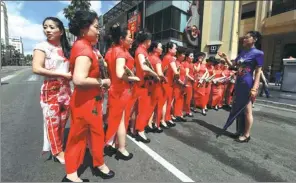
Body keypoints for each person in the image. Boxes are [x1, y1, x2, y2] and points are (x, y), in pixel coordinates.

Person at [63, 10, 114, 182]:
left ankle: (99, 163)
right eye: (96, 27)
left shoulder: (86, 47)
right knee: (79, 137)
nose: (99, 31)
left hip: (90, 101)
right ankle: (71, 174)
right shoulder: (84, 48)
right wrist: (102, 82)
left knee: (96, 133)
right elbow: (78, 79)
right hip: (85, 103)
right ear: (84, 28)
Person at [32, 17, 71, 164]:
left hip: (66, 90)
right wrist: (61, 74)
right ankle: (58, 151)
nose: (47, 30)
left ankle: (58, 145)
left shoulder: (66, 49)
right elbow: (36, 68)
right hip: (51, 90)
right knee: (52, 122)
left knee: (62, 121)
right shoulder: (42, 46)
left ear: (61, 31)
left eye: (52, 27)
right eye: (45, 27)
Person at [218, 30, 264, 143]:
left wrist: (254, 88)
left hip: (248, 84)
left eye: (247, 37)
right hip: (238, 84)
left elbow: (258, 72)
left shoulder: (258, 53)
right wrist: (225, 58)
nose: (244, 39)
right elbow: (233, 66)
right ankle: (239, 131)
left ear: (254, 39)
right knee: (237, 108)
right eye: (244, 37)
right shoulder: (242, 52)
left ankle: (246, 134)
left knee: (247, 110)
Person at [104, 23, 140, 160]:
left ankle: (113, 143)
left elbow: (109, 70)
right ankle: (121, 148)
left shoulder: (111, 51)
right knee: (120, 120)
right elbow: (119, 73)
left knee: (116, 119)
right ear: (121, 39)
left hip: (116, 89)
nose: (132, 39)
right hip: (121, 90)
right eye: (130, 37)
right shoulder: (120, 52)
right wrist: (133, 77)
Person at [131, 30, 159, 143]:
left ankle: (135, 129)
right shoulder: (141, 51)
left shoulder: (142, 51)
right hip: (142, 86)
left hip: (142, 84)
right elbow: (143, 67)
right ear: (147, 41)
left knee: (138, 109)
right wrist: (155, 74)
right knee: (143, 109)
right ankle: (140, 131)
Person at [146, 41, 166, 132]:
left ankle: (149, 123)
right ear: (155, 48)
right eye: (160, 47)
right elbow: (160, 73)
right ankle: (153, 124)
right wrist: (164, 77)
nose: (162, 49)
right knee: (156, 105)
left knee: (150, 104)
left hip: (149, 83)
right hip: (157, 85)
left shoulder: (148, 57)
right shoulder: (157, 59)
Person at [182, 51, 195, 117]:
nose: (192, 57)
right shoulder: (187, 64)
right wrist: (193, 79)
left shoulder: (188, 63)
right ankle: (187, 111)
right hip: (188, 82)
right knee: (188, 98)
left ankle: (185, 110)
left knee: (186, 98)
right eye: (191, 56)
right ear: (187, 57)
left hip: (186, 82)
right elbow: (186, 74)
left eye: (193, 56)